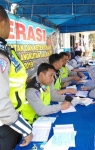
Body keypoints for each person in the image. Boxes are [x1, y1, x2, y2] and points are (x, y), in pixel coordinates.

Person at [0, 5, 32, 149]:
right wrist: (26, 130)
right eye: (9, 24)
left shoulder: (6, 51)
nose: (10, 28)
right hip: (6, 123)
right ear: (2, 23)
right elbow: (1, 104)